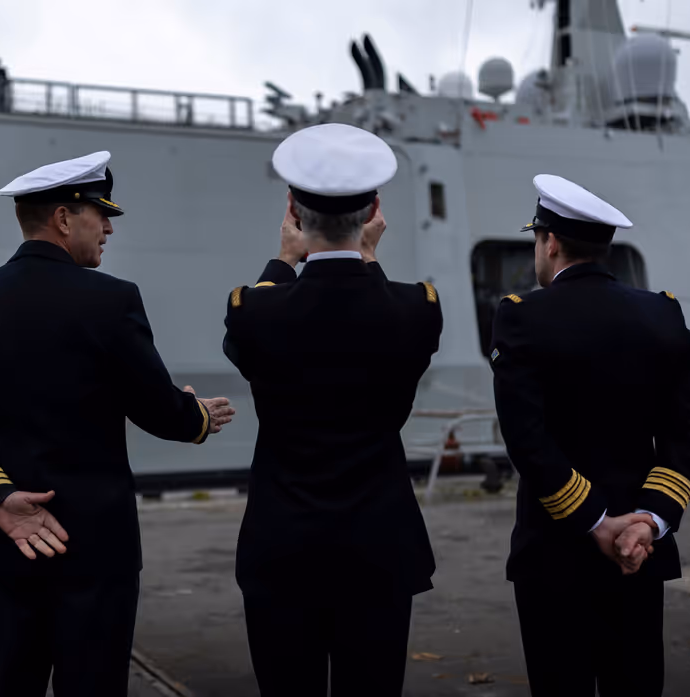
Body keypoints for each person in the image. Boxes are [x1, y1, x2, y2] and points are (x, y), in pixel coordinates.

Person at [0, 150, 235, 697]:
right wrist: (200, 417)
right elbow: (160, 411)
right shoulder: (112, 301)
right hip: (96, 550)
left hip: (8, 543)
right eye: (100, 213)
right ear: (65, 219)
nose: (109, 227)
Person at [222, 123, 442, 696]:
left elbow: (245, 337)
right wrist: (367, 260)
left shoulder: (254, 313)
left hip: (283, 548)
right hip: (379, 547)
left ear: (292, 209)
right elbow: (389, 314)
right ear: (374, 211)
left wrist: (282, 263)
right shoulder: (417, 310)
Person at [489, 174, 690, 697]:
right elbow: (689, 438)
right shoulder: (663, 313)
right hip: (639, 554)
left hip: (555, 549)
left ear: (551, 242)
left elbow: (528, 439)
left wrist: (595, 523)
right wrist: (648, 523)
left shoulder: (523, 317)